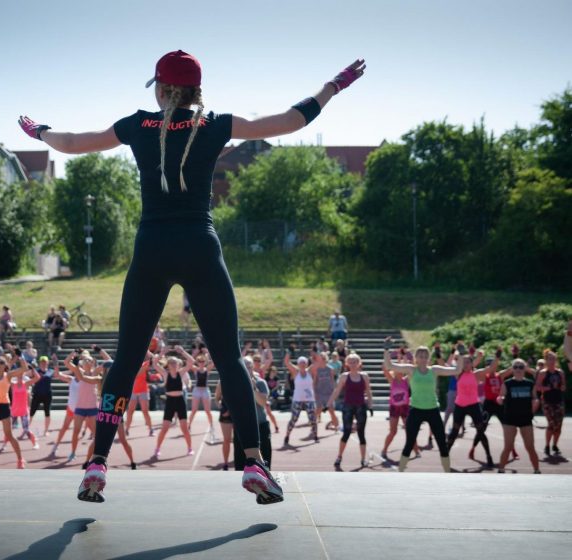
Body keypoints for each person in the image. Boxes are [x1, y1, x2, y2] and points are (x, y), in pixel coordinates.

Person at [20, 50, 365, 504]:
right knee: (229, 360)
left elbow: (69, 142)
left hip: (152, 250)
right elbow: (292, 120)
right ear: (198, 92)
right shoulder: (216, 124)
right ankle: (253, 462)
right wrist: (333, 86)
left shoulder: (136, 125)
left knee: (126, 361)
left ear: (161, 90)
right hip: (200, 247)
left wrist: (38, 131)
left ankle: (98, 463)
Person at [383, 338, 462, 472]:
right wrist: (386, 350)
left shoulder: (435, 370)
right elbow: (390, 366)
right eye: (420, 356)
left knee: (442, 442)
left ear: (428, 358)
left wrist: (461, 354)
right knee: (409, 443)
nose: (423, 358)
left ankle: (447, 471)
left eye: (426, 356)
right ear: (416, 358)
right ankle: (400, 470)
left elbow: (457, 370)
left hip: (432, 410)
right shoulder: (411, 370)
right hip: (416, 410)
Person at [445, 351, 500, 468]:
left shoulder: (476, 374)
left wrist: (497, 356)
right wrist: (452, 353)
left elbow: (492, 368)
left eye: (468, 362)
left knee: (481, 431)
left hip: (473, 405)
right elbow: (445, 364)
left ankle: (489, 457)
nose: (465, 364)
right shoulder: (457, 374)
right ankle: (445, 457)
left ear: (471, 364)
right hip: (460, 406)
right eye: (463, 362)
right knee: (454, 432)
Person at [327, 353, 373, 469]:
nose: (353, 364)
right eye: (350, 362)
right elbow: (337, 391)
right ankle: (339, 457)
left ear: (359, 363)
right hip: (348, 407)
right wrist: (329, 402)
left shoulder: (364, 376)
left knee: (361, 433)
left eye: (355, 362)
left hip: (360, 407)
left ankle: (363, 460)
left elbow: (368, 391)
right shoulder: (344, 376)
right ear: (347, 363)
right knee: (346, 433)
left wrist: (370, 405)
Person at [497, 359, 541, 473]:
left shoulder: (530, 383)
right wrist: (500, 399)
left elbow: (535, 397)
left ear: (525, 369)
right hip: (510, 418)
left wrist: (536, 401)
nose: (518, 369)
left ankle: (537, 470)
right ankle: (501, 470)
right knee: (508, 447)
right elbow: (500, 396)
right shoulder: (507, 383)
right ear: (512, 370)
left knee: (530, 447)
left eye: (521, 367)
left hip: (525, 418)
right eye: (515, 367)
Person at [151, 350, 194, 459]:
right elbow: (154, 363)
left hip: (180, 401)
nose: (174, 365)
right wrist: (162, 352)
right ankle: (157, 449)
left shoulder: (181, 373)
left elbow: (191, 361)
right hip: (170, 401)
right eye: (171, 363)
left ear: (179, 364)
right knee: (164, 428)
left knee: (184, 428)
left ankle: (190, 448)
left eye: (175, 363)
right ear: (168, 365)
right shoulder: (165, 374)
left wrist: (182, 351)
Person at [233, 356, 272, 469]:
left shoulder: (260, 383)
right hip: (242, 427)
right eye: (245, 367)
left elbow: (263, 402)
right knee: (240, 464)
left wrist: (253, 388)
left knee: (264, 462)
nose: (248, 370)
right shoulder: (235, 384)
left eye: (250, 367)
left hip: (261, 425)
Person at [380, 363, 420, 460]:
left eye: (402, 369)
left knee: (409, 430)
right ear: (395, 371)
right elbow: (384, 369)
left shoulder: (406, 380)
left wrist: (414, 362)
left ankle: (416, 451)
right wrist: (387, 359)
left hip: (405, 407)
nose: (401, 371)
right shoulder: (392, 380)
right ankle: (384, 450)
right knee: (393, 431)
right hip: (394, 408)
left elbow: (413, 371)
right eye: (399, 369)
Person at [535, 350, 566, 456]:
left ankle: (555, 445)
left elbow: (564, 387)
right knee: (551, 424)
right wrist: (547, 388)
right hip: (547, 401)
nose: (552, 361)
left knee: (559, 425)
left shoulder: (560, 372)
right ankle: (547, 445)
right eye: (550, 359)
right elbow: (537, 387)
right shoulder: (543, 373)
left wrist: (561, 387)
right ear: (546, 360)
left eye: (554, 359)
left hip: (559, 401)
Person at [282, 354, 318, 446]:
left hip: (309, 399)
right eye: (301, 363)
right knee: (293, 419)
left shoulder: (310, 371)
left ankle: (315, 436)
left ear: (306, 364)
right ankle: (287, 436)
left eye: (304, 363)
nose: (302, 364)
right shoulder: (295, 372)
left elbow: (318, 362)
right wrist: (289, 352)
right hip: (297, 399)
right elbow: (287, 362)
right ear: (298, 364)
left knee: (313, 419)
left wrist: (315, 354)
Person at [125, 352, 155, 437]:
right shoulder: (130, 365)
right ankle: (126, 429)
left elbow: (153, 358)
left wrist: (147, 351)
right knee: (130, 411)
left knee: (145, 411)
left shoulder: (145, 364)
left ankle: (151, 429)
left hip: (143, 390)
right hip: (133, 391)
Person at [187, 351, 215, 438]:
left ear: (205, 362)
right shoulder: (196, 369)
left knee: (207, 410)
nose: (201, 363)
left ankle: (211, 426)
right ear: (198, 362)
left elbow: (214, 362)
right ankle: (189, 425)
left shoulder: (207, 369)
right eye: (200, 361)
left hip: (205, 390)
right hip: (197, 390)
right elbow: (189, 363)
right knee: (194, 410)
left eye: (203, 362)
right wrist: (194, 354)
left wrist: (209, 353)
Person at [29, 356, 56, 436]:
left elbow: (59, 374)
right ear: (39, 363)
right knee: (31, 413)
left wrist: (56, 363)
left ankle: (46, 431)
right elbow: (28, 374)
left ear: (48, 363)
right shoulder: (36, 371)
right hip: (37, 394)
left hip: (47, 395)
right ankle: (26, 430)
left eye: (45, 362)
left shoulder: (51, 371)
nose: (43, 363)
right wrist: (32, 367)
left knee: (47, 413)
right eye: (42, 362)